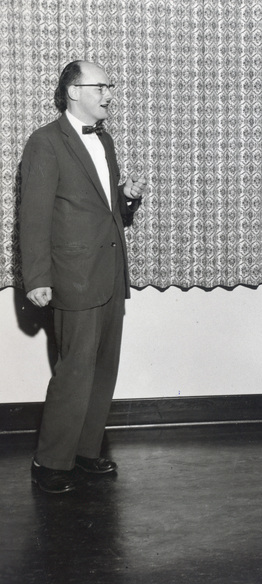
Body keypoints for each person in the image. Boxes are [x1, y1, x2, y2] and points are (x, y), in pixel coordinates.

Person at [20, 60, 147, 494]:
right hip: (72, 276)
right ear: (74, 91)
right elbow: (34, 216)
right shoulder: (44, 142)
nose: (109, 94)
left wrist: (125, 198)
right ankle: (50, 462)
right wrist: (37, 277)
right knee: (74, 370)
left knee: (103, 368)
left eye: (110, 86)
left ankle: (86, 451)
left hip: (109, 271)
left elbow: (101, 207)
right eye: (100, 86)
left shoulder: (104, 139)